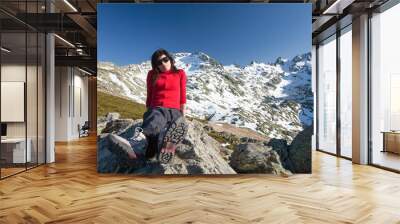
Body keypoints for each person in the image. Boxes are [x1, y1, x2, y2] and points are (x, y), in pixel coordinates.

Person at [109, 48, 188, 164]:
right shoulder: (152, 75)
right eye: (159, 63)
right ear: (155, 65)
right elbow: (150, 94)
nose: (163, 64)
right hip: (157, 109)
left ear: (170, 59)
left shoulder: (180, 73)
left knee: (171, 126)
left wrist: (183, 116)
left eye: (165, 60)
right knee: (154, 124)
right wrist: (148, 113)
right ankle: (153, 149)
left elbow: (183, 95)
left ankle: (141, 143)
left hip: (174, 111)